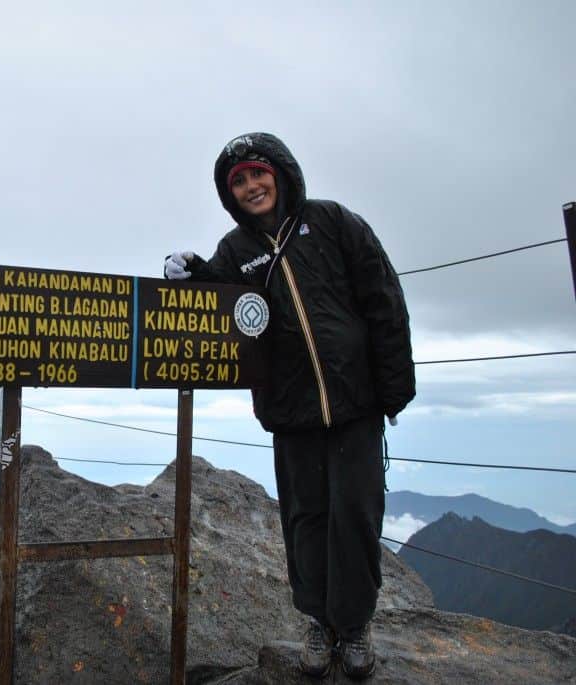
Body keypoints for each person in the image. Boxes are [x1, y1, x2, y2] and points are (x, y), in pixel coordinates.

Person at [164, 132, 414, 679]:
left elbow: (383, 300)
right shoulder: (237, 251)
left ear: (280, 174)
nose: (252, 186)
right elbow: (222, 300)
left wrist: (394, 389)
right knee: (306, 518)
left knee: (356, 513)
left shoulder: (331, 222)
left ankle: (353, 627)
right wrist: (190, 272)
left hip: (356, 404)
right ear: (229, 193)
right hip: (291, 411)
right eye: (239, 181)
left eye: (258, 174)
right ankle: (318, 623)